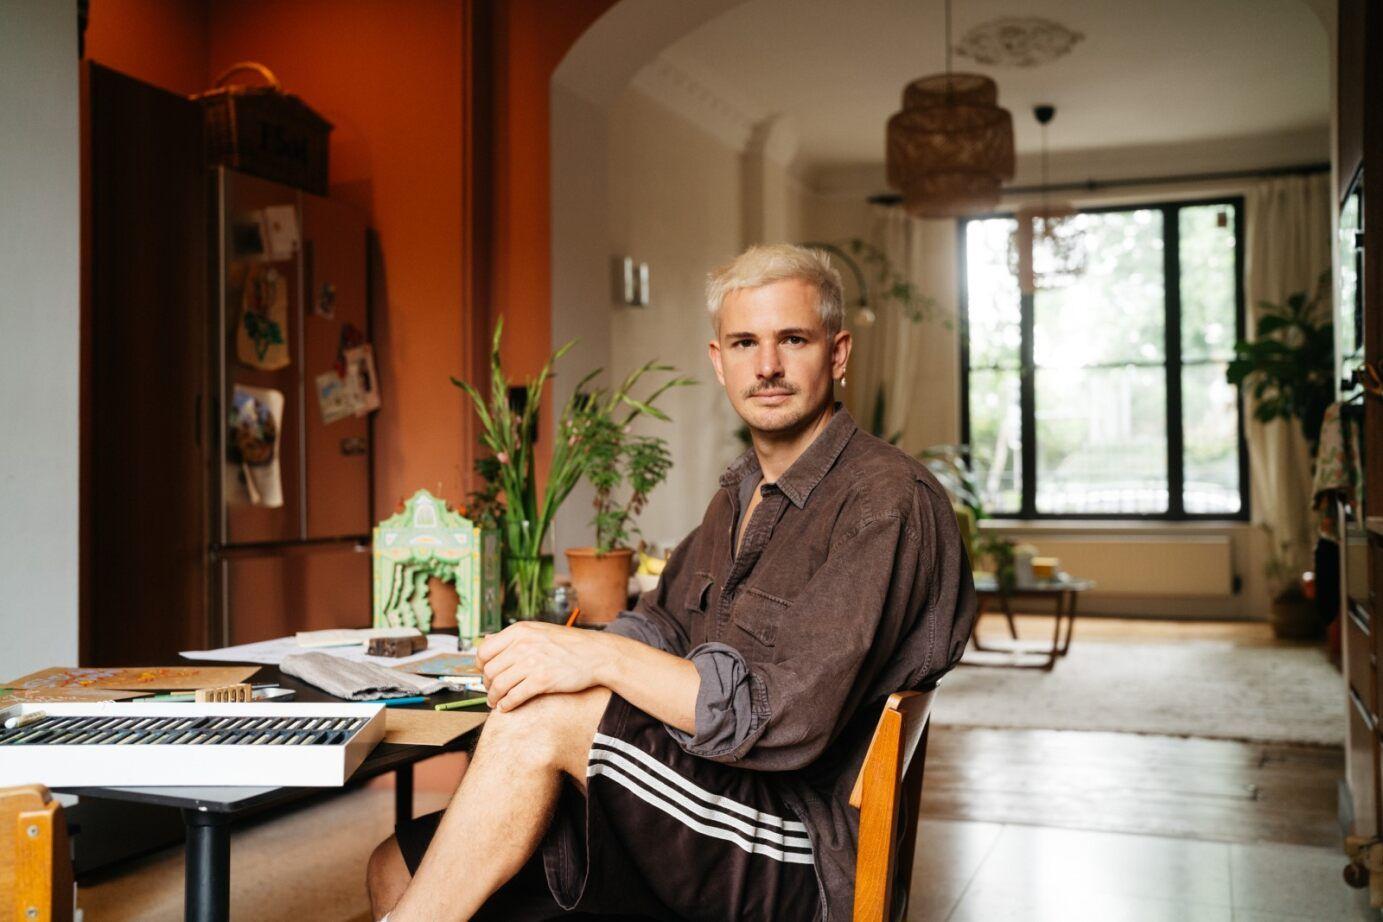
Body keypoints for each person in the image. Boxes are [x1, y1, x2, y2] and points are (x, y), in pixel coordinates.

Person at [367, 243, 977, 921]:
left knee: (544, 721)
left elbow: (784, 719)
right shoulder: (743, 491)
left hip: (796, 845)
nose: (766, 366)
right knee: (396, 866)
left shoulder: (883, 500)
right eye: (745, 342)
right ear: (718, 362)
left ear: (836, 355)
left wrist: (596, 658)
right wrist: (553, 649)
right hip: (708, 801)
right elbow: (660, 623)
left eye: (792, 340)